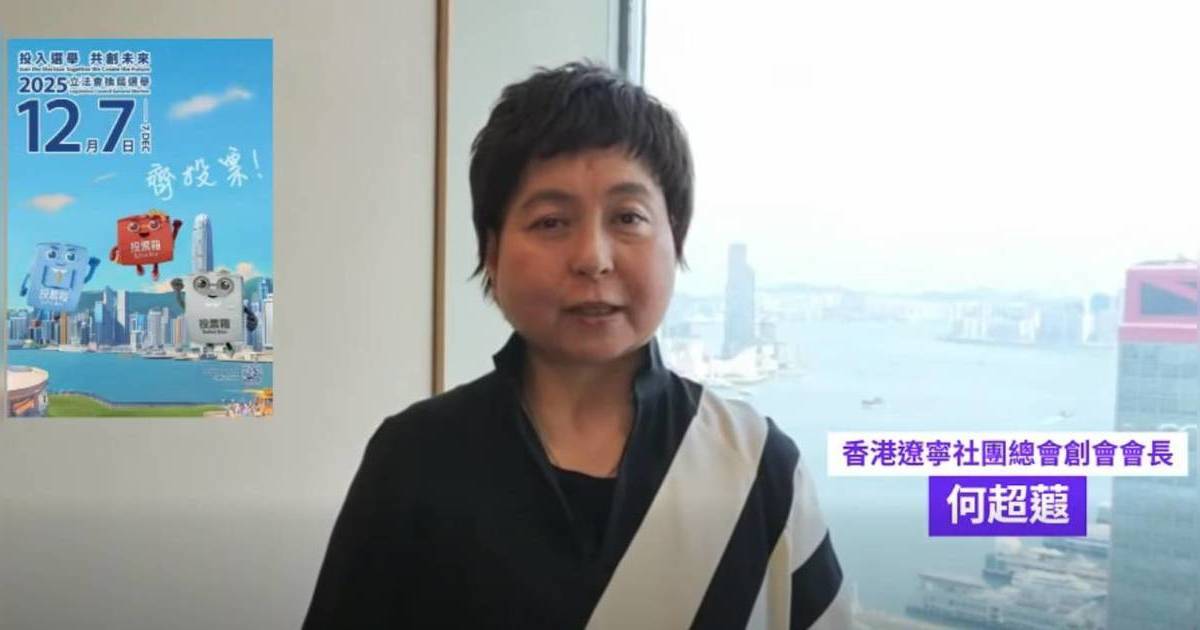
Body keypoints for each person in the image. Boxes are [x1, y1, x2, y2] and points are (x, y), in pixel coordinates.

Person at [302, 61, 850, 629]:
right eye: (551, 222)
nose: (593, 257)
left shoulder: (757, 466)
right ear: (491, 252)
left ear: (677, 237)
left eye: (628, 217)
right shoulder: (414, 459)